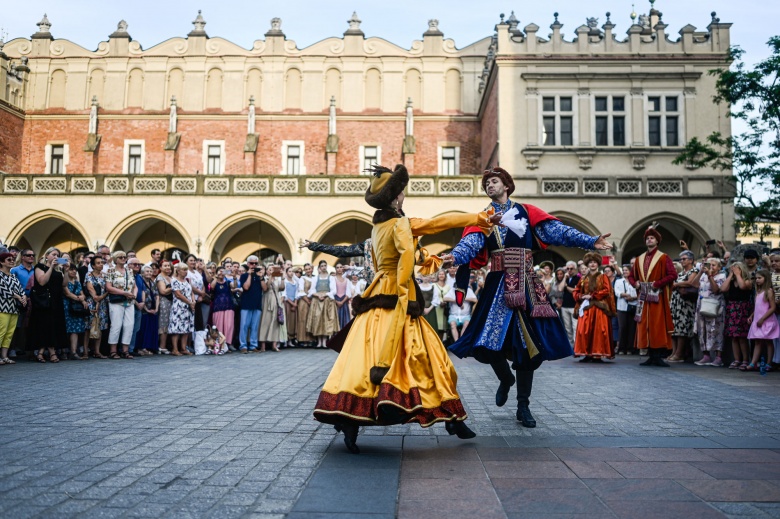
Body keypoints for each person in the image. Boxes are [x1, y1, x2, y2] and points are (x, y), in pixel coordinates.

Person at [314, 164, 498, 453]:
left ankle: (349, 417)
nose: (404, 195)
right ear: (397, 196)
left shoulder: (377, 228)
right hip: (397, 300)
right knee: (434, 359)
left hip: (375, 299)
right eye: (402, 192)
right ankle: (450, 415)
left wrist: (433, 260)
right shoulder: (400, 224)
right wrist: (481, 218)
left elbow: (407, 255)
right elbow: (439, 224)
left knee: (361, 362)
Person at [444, 167, 612, 428]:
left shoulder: (526, 212)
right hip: (498, 284)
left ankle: (523, 405)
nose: (490, 185)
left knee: (528, 347)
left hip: (527, 285)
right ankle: (505, 379)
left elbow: (558, 232)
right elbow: (471, 244)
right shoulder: (484, 217)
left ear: (507, 185)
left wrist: (590, 241)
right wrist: (454, 256)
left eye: (495, 181)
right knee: (485, 342)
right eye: (486, 183)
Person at [627, 227, 676, 367]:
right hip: (643, 297)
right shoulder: (639, 259)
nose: (649, 239)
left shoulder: (663, 257)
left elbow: (673, 275)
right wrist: (634, 283)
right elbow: (631, 276)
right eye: (647, 238)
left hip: (657, 297)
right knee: (645, 325)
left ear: (657, 241)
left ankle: (658, 355)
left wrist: (658, 284)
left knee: (657, 325)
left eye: (652, 238)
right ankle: (650, 355)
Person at [572, 252, 616, 362]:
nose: (592, 264)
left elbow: (607, 290)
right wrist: (581, 296)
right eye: (590, 262)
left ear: (598, 264)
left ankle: (597, 354)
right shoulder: (583, 279)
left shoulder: (603, 277)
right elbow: (576, 291)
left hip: (599, 308)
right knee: (584, 331)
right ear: (587, 264)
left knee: (599, 331)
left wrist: (592, 295)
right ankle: (587, 354)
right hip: (586, 308)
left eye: (594, 262)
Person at [29, 247, 68, 363]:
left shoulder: (58, 271)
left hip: (56, 301)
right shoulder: (39, 267)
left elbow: (64, 284)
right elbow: (42, 281)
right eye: (53, 254)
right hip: (44, 301)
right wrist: (51, 267)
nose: (56, 257)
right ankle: (52, 353)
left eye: (58, 255)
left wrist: (66, 270)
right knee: (45, 326)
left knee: (53, 327)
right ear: (47, 256)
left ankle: (41, 353)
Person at [667, 250, 701, 363]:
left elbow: (691, 282)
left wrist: (676, 284)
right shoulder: (680, 273)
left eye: (684, 259)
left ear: (691, 260)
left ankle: (679, 353)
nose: (681, 261)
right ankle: (674, 351)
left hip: (685, 304)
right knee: (674, 328)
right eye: (681, 259)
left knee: (682, 328)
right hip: (676, 302)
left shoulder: (694, 270)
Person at [721, 261, 754, 370]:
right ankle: (736, 359)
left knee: (742, 337)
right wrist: (730, 275)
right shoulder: (731, 281)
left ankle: (745, 359)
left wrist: (738, 275)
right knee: (734, 337)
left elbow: (743, 287)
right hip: (732, 308)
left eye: (736, 269)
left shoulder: (748, 281)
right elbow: (723, 289)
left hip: (743, 309)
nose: (734, 270)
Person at [105, 251, 137, 360]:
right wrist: (124, 293)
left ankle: (125, 350)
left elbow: (134, 286)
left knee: (129, 325)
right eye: (120, 257)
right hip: (116, 301)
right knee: (116, 325)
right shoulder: (111, 270)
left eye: (124, 257)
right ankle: (113, 351)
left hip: (129, 301)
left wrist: (134, 295)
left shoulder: (129, 270)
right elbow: (108, 287)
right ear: (115, 259)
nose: (123, 259)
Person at [695, 258, 726, 366]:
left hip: (715, 306)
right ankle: (706, 355)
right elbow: (694, 285)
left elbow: (716, 290)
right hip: (702, 305)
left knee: (716, 329)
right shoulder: (703, 275)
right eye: (709, 265)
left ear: (719, 267)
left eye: (714, 265)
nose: (711, 267)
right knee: (702, 329)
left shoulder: (722, 276)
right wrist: (701, 271)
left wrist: (710, 276)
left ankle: (718, 357)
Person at [746, 270, 778, 371]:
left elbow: (772, 308)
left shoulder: (768, 291)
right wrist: (752, 315)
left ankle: (769, 363)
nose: (757, 280)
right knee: (757, 342)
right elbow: (758, 307)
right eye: (756, 278)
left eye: (760, 278)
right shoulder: (758, 292)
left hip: (766, 320)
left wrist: (763, 318)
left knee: (769, 342)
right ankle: (753, 363)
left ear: (766, 278)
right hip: (758, 320)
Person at [0, 252, 26, 365]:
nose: (12, 261)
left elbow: (21, 289)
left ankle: (4, 356)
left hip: (14, 308)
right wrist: (19, 297)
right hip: (2, 308)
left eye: (13, 259)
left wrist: (24, 297)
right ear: (1, 262)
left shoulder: (13, 276)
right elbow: (3, 290)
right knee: (1, 332)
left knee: (9, 333)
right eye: (9, 259)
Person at [307, 260, 337, 348]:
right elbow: (311, 290)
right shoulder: (315, 278)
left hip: (327, 300)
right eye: (322, 266)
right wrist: (317, 295)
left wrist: (325, 294)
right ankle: (319, 341)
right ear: (319, 267)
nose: (324, 267)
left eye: (325, 265)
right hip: (317, 300)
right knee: (318, 320)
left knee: (326, 320)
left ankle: (324, 341)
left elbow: (334, 290)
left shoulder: (331, 278)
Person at [238, 256, 265, 353]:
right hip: (246, 304)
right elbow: (246, 287)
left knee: (254, 326)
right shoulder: (244, 276)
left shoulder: (260, 276)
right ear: (248, 264)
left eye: (255, 263)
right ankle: (243, 345)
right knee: (244, 326)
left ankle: (253, 345)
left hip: (257, 304)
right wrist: (249, 275)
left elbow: (265, 288)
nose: (253, 265)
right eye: (251, 263)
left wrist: (261, 277)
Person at [63, 264, 89, 360]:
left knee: (75, 330)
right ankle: (63, 351)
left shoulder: (77, 282)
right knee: (66, 328)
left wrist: (82, 299)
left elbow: (83, 294)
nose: (74, 271)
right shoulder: (64, 282)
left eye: (75, 270)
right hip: (67, 306)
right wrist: (80, 299)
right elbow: (67, 293)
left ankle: (73, 352)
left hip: (77, 308)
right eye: (71, 270)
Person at [85, 255, 109, 358]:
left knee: (99, 327)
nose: (101, 265)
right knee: (88, 327)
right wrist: (99, 297)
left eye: (102, 263)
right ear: (93, 266)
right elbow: (92, 291)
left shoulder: (105, 276)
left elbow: (108, 288)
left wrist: (101, 298)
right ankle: (85, 351)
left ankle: (97, 351)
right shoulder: (89, 275)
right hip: (92, 303)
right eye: (98, 263)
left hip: (103, 304)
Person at [169, 263, 195, 356]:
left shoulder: (187, 280)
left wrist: (193, 301)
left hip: (188, 307)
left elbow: (191, 292)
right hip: (179, 307)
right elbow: (178, 294)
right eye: (183, 270)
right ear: (178, 271)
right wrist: (189, 302)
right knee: (176, 328)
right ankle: (175, 349)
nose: (185, 271)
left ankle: (183, 348)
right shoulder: (174, 281)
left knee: (186, 328)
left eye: (186, 270)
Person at [209, 266, 235, 350]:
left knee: (229, 325)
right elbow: (212, 287)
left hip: (228, 306)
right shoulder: (214, 281)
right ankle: (219, 343)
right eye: (219, 271)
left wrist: (234, 277)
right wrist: (217, 277)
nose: (221, 273)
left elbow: (234, 286)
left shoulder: (227, 282)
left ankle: (228, 343)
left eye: (223, 271)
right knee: (218, 325)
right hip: (218, 306)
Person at [614, 265, 638, 355]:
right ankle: (621, 348)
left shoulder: (635, 281)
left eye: (626, 270)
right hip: (622, 306)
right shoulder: (619, 281)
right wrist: (625, 295)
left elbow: (638, 292)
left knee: (631, 328)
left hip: (633, 306)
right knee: (622, 327)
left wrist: (633, 297)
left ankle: (630, 348)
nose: (624, 272)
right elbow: (616, 292)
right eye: (623, 270)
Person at [137, 265, 160, 355]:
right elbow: (141, 297)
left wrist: (156, 308)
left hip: (153, 309)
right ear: (142, 273)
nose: (149, 273)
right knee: (143, 329)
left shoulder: (153, 283)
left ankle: (148, 347)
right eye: (147, 271)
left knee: (151, 329)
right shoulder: (140, 282)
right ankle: (140, 348)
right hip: (144, 310)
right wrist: (147, 309)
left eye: (150, 271)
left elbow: (157, 296)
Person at [258, 264, 282, 352]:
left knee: (275, 322)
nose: (271, 271)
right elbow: (266, 288)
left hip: (275, 301)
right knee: (265, 321)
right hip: (266, 300)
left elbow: (282, 288)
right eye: (269, 269)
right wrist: (270, 277)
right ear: (266, 271)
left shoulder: (277, 279)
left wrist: (282, 277)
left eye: (273, 269)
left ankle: (274, 345)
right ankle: (263, 345)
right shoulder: (264, 278)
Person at [156, 261, 174, 354]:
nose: (168, 267)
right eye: (165, 266)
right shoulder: (160, 278)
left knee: (168, 324)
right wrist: (173, 287)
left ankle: (167, 345)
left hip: (171, 302)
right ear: (161, 267)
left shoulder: (170, 277)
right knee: (163, 324)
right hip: (164, 302)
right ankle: (162, 346)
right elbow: (162, 291)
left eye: (169, 266)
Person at [560, 261, 580, 346]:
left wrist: (567, 287)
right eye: (567, 269)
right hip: (565, 305)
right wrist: (564, 278)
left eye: (571, 269)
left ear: (575, 269)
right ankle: (571, 345)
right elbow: (560, 288)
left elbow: (575, 291)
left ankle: (576, 346)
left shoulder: (578, 279)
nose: (569, 270)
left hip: (574, 305)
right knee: (568, 328)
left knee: (575, 326)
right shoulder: (566, 278)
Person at [296, 264, 315, 347]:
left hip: (313, 300)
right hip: (304, 301)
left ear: (312, 269)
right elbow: (301, 290)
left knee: (311, 319)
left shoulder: (315, 278)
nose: (308, 270)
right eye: (306, 269)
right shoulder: (302, 279)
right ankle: (303, 339)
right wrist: (307, 301)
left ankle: (311, 339)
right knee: (303, 319)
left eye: (309, 269)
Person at [282, 266, 300, 348]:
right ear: (286, 273)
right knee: (287, 321)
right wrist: (292, 303)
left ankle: (290, 340)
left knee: (292, 322)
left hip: (293, 302)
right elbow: (284, 294)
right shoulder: (285, 282)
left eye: (292, 271)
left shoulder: (295, 282)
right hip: (287, 303)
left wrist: (295, 303)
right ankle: (285, 340)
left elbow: (296, 293)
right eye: (289, 271)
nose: (291, 273)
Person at [333, 263, 351, 330]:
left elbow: (348, 293)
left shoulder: (347, 280)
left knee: (345, 320)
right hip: (335, 301)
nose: (339, 269)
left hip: (344, 301)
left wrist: (342, 302)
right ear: (335, 269)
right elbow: (331, 292)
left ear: (343, 269)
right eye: (337, 267)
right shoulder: (333, 279)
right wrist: (336, 301)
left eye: (341, 267)